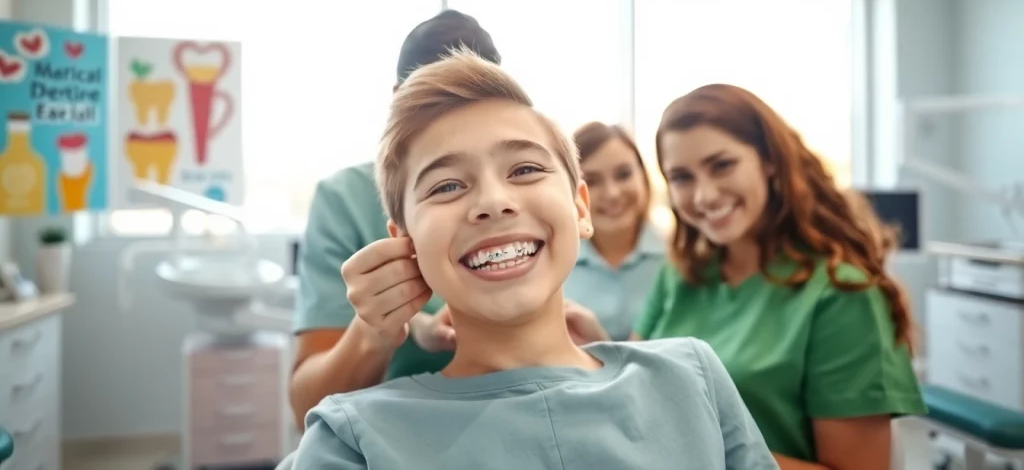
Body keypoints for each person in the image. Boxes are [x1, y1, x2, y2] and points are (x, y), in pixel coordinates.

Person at [290, 51, 779, 470]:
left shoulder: (693, 378)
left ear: (579, 208)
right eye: (446, 186)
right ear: (406, 242)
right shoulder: (352, 440)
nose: (493, 201)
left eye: (524, 169)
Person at [632, 83, 926, 470]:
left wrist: (702, 450)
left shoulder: (841, 296)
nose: (704, 195)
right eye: (682, 177)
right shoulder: (681, 274)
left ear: (769, 160)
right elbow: (639, 386)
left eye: (722, 165)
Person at [288, 10, 502, 429]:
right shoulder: (345, 200)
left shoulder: (516, 198)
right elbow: (307, 406)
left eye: (481, 104)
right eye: (439, 104)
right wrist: (378, 331)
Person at [564, 122, 663, 340]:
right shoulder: (556, 265)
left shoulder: (680, 260)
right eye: (592, 181)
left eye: (623, 174)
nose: (612, 193)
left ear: (643, 176)